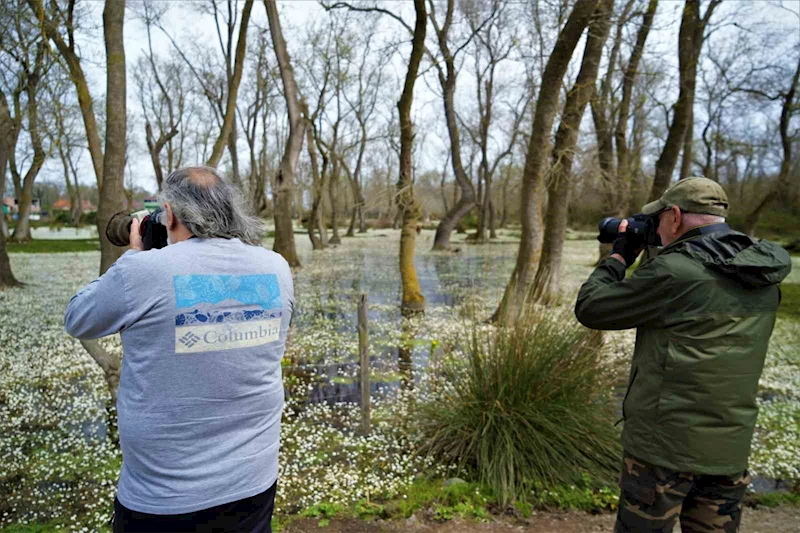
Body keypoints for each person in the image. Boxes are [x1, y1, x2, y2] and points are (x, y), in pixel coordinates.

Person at [65, 167, 293, 533]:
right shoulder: (276, 268)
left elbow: (78, 318)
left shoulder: (144, 271)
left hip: (164, 498)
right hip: (253, 482)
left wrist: (134, 256)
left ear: (169, 214)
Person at [574, 177, 792, 533]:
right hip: (728, 446)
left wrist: (619, 255)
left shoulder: (675, 272)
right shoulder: (764, 272)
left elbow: (591, 308)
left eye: (658, 218)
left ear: (674, 216)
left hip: (663, 450)